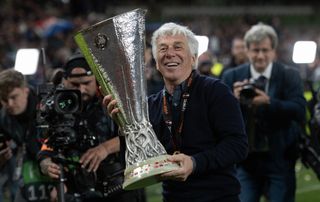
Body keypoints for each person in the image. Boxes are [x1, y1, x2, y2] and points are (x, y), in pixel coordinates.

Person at [104, 22, 248, 202]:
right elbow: (136, 161)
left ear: (194, 58)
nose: (170, 53)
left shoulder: (215, 91)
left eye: (178, 47)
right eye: (163, 49)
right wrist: (124, 126)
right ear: (156, 62)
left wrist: (194, 163)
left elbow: (238, 146)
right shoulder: (152, 105)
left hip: (218, 197)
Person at [38, 53, 145, 202]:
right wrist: (46, 164)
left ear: (96, 79)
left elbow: (138, 134)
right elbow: (48, 144)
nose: (81, 90)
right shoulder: (57, 106)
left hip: (120, 186)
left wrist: (106, 148)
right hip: (77, 189)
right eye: (75, 85)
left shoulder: (114, 99)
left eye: (86, 83)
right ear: (65, 81)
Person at [221, 23, 306, 202]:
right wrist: (233, 100)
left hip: (280, 160)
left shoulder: (289, 75)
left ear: (274, 50)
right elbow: (220, 119)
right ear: (247, 50)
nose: (260, 55)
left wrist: (269, 102)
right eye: (255, 50)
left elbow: (299, 111)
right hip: (245, 162)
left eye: (265, 50)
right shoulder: (232, 76)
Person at [0, 69, 54, 202]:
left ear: (26, 91)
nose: (9, 104)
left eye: (13, 97)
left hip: (52, 167)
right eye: (4, 99)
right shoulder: (3, 118)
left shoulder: (47, 108)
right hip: (24, 175)